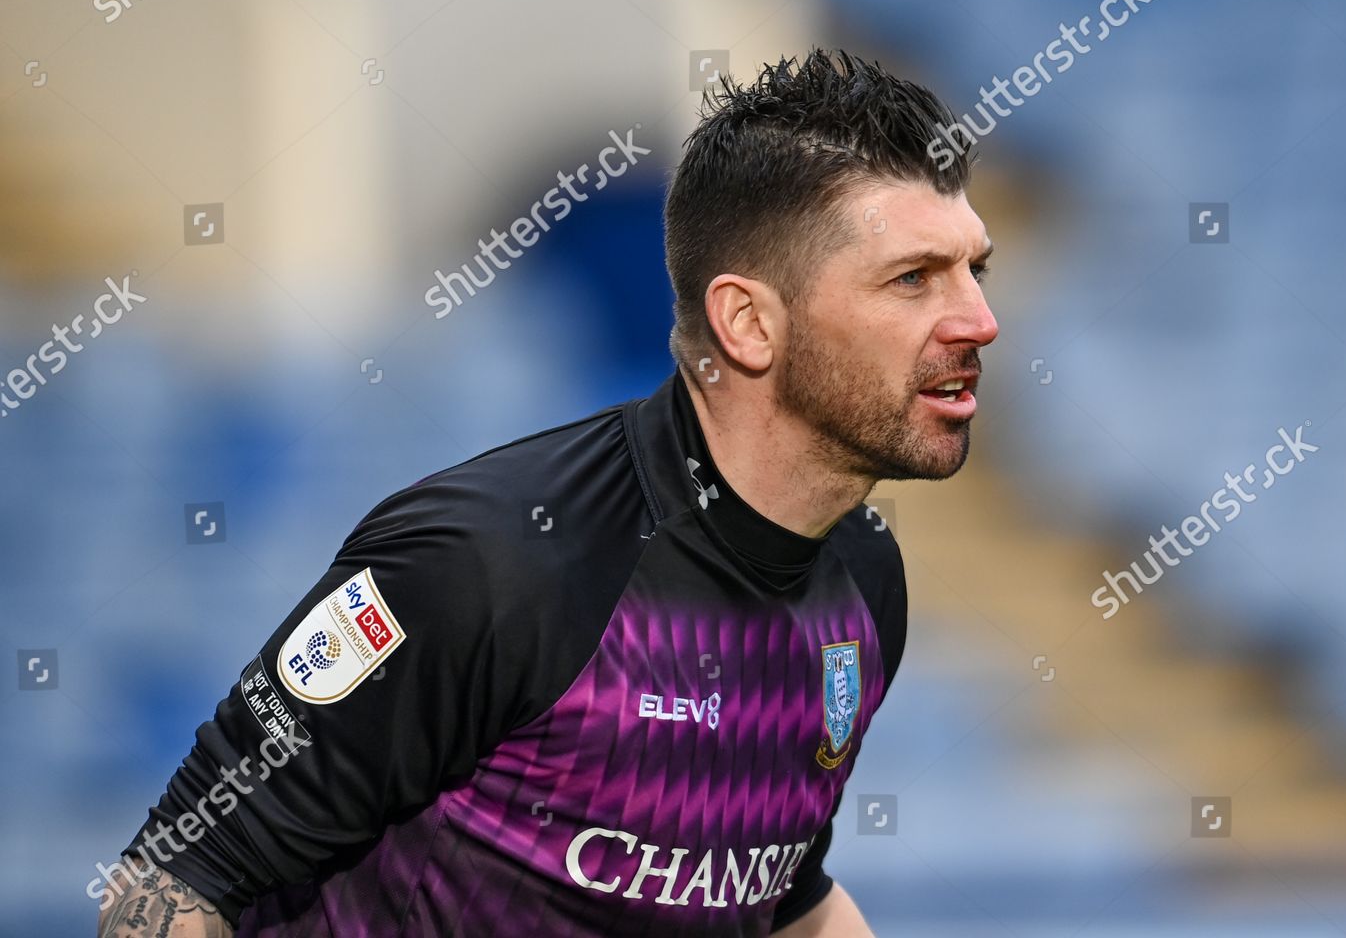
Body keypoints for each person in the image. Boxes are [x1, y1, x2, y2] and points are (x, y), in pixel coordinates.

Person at [99, 47, 998, 937]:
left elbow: (783, 893)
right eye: (914, 278)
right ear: (749, 323)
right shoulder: (487, 562)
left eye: (975, 271)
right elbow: (167, 886)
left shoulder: (865, 581)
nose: (979, 321)